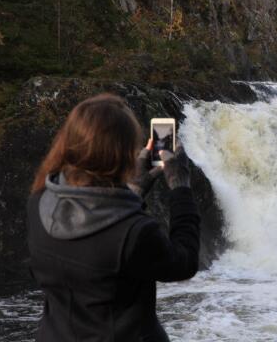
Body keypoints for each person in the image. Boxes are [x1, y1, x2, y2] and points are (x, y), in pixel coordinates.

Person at [26, 93, 200, 342]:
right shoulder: (135, 232)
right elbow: (184, 263)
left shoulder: (40, 203)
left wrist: (134, 189)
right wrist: (180, 186)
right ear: (124, 153)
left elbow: (92, 226)